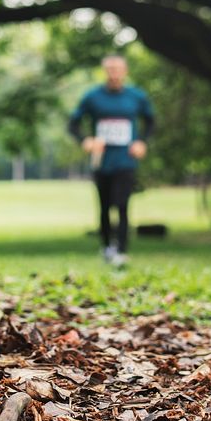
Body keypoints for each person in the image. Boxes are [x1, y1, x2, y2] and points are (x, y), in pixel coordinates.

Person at [68, 55, 155, 266]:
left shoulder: (136, 96)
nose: (114, 73)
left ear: (125, 71)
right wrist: (85, 140)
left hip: (125, 161)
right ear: (105, 71)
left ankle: (122, 249)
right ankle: (107, 246)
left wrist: (141, 142)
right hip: (102, 161)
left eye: (118, 69)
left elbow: (151, 121)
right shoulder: (93, 97)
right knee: (105, 205)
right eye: (110, 69)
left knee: (122, 204)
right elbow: (73, 123)